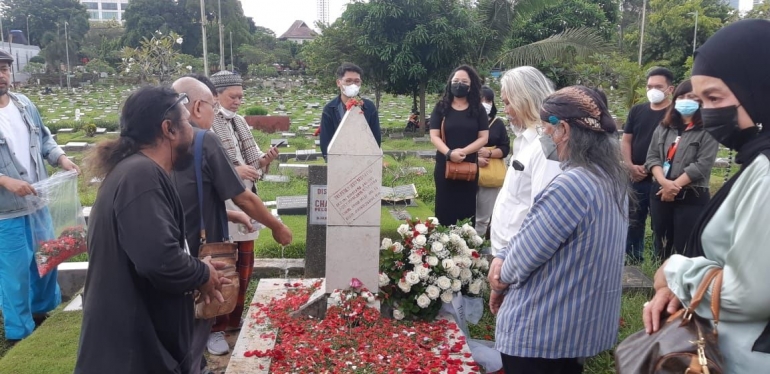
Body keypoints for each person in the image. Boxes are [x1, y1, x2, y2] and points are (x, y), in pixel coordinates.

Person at [642, 19, 770, 373]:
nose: (707, 110)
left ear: (759, 88)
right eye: (699, 99)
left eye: (714, 97)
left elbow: (751, 292)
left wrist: (676, 272)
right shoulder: (756, 159)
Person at [75, 86, 231, 374]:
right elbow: (161, 261)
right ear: (168, 129)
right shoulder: (140, 176)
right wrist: (202, 273)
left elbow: (160, 248)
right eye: (187, 122)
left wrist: (197, 269)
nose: (193, 129)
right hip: (131, 353)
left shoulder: (141, 172)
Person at [489, 86, 629, 374]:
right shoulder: (611, 179)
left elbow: (522, 259)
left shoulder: (572, 184)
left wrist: (500, 271)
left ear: (563, 129)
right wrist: (505, 253)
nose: (545, 139)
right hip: (577, 329)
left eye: (546, 130)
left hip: (542, 333)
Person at [171, 77, 293, 374]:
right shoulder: (203, 138)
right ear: (199, 106)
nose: (236, 101)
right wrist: (277, 226)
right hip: (200, 245)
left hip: (177, 241)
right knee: (204, 302)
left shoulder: (167, 141)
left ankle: (204, 350)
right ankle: (204, 347)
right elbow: (241, 196)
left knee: (185, 315)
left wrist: (233, 214)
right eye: (215, 103)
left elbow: (191, 193)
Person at [0, 49, 79, 342]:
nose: (2, 74)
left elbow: (44, 138)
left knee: (48, 259)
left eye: (5, 68)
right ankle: (18, 333)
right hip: (6, 212)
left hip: (37, 201)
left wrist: (61, 158)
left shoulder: (23, 104)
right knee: (15, 273)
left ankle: (42, 313)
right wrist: (5, 180)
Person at [208, 70, 280, 355]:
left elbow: (252, 163)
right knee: (222, 266)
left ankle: (234, 320)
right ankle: (214, 327)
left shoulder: (239, 123)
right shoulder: (208, 124)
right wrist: (235, 170)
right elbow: (211, 164)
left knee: (244, 266)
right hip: (223, 203)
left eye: (241, 96)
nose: (238, 101)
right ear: (216, 95)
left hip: (246, 199)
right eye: (232, 96)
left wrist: (265, 160)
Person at [490, 67, 561, 255]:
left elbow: (543, 217)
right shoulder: (525, 140)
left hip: (519, 257)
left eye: (508, 103)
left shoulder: (546, 145)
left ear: (525, 100)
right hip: (507, 253)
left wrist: (514, 263)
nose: (506, 111)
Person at [645, 79, 718, 259]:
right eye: (682, 96)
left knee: (685, 245)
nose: (686, 100)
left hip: (691, 194)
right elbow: (652, 157)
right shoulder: (664, 127)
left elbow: (703, 164)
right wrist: (664, 183)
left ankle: (682, 283)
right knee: (661, 241)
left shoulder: (709, 129)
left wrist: (674, 186)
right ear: (675, 99)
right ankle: (660, 279)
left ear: (701, 100)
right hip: (660, 191)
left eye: (691, 97)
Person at [621, 67, 674, 263]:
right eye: (650, 86)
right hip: (636, 176)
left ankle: (659, 262)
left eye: (658, 86)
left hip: (663, 179)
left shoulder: (674, 113)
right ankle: (633, 260)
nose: (653, 90)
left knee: (661, 224)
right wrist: (630, 166)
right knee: (633, 221)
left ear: (670, 89)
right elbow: (626, 141)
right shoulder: (637, 111)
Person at [429, 65, 489, 226]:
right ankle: (441, 246)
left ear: (471, 85)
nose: (459, 84)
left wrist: (463, 152)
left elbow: (484, 137)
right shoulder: (441, 107)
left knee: (466, 210)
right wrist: (449, 153)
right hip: (445, 166)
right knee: (444, 208)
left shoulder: (478, 109)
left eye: (464, 81)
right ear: (450, 83)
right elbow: (434, 136)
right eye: (455, 81)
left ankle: (466, 247)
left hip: (469, 167)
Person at [320, 62, 381, 160]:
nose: (353, 85)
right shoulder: (330, 109)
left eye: (357, 81)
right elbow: (325, 141)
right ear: (338, 82)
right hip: (338, 162)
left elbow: (375, 138)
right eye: (348, 81)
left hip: (364, 161)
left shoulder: (369, 107)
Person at [475, 85, 510, 238]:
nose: (485, 103)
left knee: (483, 217)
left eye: (488, 100)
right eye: (482, 100)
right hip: (468, 172)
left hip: (490, 175)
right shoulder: (467, 122)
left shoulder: (498, 123)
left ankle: (476, 248)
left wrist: (488, 152)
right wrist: (475, 158)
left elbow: (505, 148)